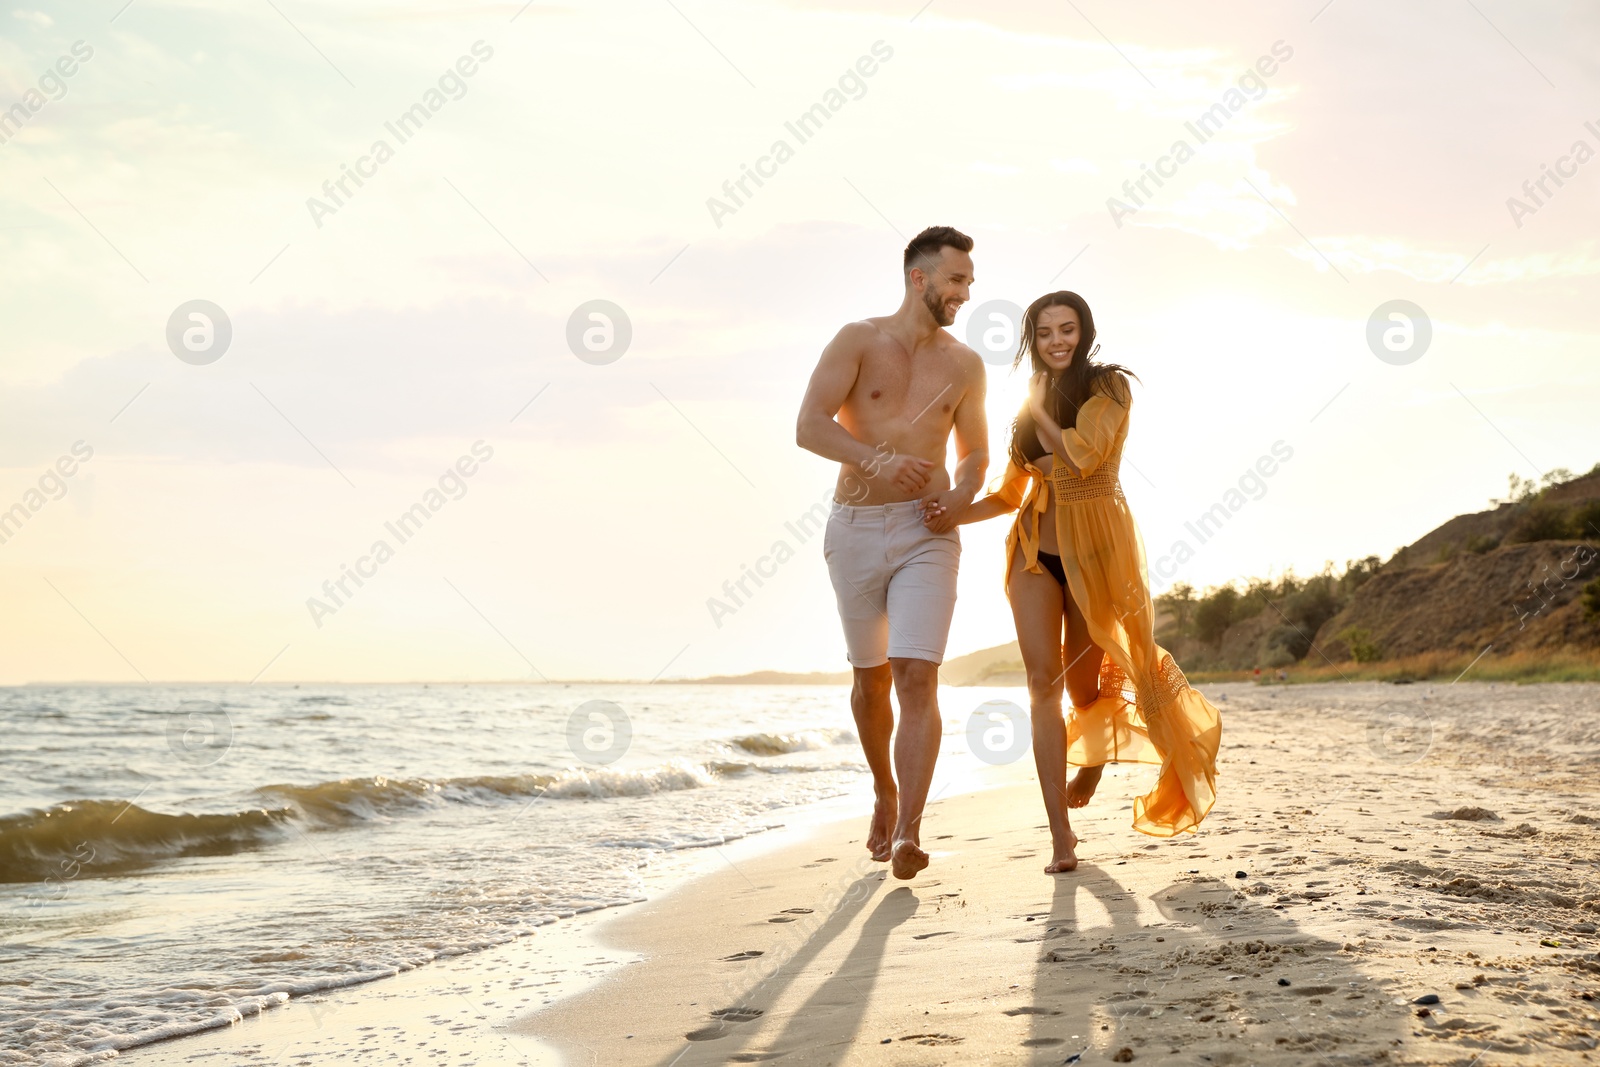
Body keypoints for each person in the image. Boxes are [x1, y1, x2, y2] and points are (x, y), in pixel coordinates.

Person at [939, 290, 1220, 873]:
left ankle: (1091, 757)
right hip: (1034, 558)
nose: (1057, 341)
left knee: (1086, 691)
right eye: (1044, 333)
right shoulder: (1025, 411)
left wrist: (1039, 408)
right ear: (1032, 339)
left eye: (1067, 329)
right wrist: (947, 513)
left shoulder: (1109, 387)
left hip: (1096, 557)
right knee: (1042, 684)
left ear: (1083, 332)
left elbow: (1084, 456)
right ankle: (1060, 837)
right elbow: (1007, 495)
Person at [796, 226, 988, 879]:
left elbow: (977, 455)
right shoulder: (857, 340)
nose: (966, 290)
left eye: (968, 280)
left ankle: (909, 830)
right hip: (852, 527)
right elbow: (810, 425)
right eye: (957, 279)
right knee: (870, 678)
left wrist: (961, 496)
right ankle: (884, 786)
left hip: (926, 532)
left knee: (916, 674)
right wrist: (877, 456)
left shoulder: (965, 364)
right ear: (920, 278)